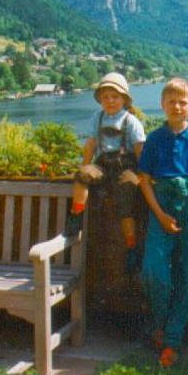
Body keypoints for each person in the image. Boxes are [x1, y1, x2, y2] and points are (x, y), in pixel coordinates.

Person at [138, 77, 188, 367]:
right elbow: (144, 181)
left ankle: (172, 341)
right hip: (161, 205)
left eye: (182, 101)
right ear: (162, 105)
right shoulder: (155, 139)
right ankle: (160, 325)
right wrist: (160, 214)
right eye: (171, 101)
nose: (177, 106)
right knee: (153, 271)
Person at [69, 72, 145, 273]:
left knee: (127, 194)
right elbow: (91, 144)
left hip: (125, 167)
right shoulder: (98, 117)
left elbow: (139, 151)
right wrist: (84, 166)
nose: (110, 101)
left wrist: (144, 174)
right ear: (101, 100)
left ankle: (131, 247)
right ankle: (76, 216)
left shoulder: (131, 121)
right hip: (102, 165)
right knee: (82, 176)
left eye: (115, 97)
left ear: (124, 99)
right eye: (105, 97)